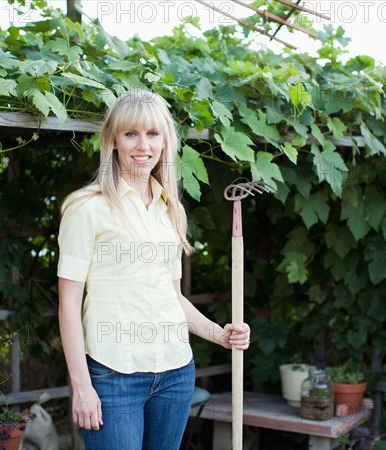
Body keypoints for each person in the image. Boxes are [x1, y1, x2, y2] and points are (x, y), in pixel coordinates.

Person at [57, 89, 251, 450]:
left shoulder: (170, 210)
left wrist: (219, 334)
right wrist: (82, 386)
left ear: (165, 141)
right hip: (113, 376)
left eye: (152, 134)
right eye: (130, 134)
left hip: (176, 373)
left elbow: (172, 296)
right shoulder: (86, 208)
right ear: (113, 141)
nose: (142, 145)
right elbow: (68, 304)